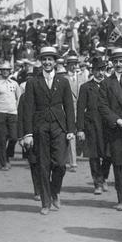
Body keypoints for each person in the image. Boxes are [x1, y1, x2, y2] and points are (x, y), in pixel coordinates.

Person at [21, 47, 76, 213]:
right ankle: (45, 202)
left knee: (60, 164)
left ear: (55, 62)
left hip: (59, 127)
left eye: (50, 59)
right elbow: (28, 109)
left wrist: (71, 129)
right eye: (44, 59)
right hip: (40, 128)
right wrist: (28, 133)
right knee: (43, 165)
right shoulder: (32, 82)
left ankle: (55, 191)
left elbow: (69, 107)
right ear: (40, 61)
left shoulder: (63, 81)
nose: (47, 62)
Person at [98, 48, 122, 211]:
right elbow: (102, 106)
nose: (118, 64)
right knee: (119, 165)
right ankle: (121, 198)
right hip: (117, 129)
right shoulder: (107, 83)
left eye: (121, 61)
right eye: (116, 62)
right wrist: (118, 120)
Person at [76, 57, 110, 194]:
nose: (100, 73)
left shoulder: (110, 85)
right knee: (94, 156)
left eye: (103, 70)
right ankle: (97, 183)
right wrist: (80, 129)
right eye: (97, 70)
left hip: (108, 126)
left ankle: (104, 177)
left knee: (108, 155)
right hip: (92, 127)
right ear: (93, 71)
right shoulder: (85, 87)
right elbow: (80, 109)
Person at [0, 61, 22, 171]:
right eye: (3, 70)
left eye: (7, 70)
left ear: (10, 71)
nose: (5, 72)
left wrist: (17, 110)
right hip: (0, 113)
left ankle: (7, 155)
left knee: (13, 137)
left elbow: (19, 98)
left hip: (12, 113)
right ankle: (3, 162)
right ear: (1, 72)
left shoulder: (14, 84)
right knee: (2, 139)